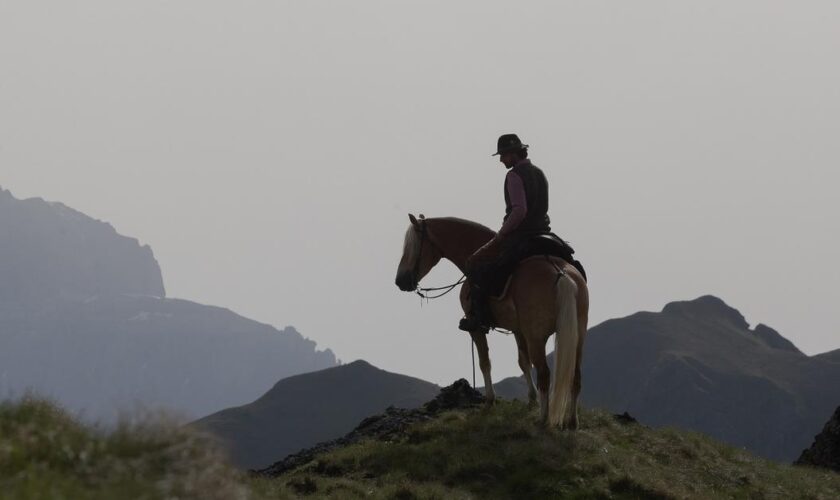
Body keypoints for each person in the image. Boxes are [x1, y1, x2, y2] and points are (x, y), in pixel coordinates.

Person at [459, 133, 553, 333]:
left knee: (479, 271)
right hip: (545, 235)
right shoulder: (539, 172)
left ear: (513, 154)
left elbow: (519, 210)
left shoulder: (514, 176)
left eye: (503, 155)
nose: (501, 160)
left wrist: (501, 235)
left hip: (521, 236)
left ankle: (480, 320)